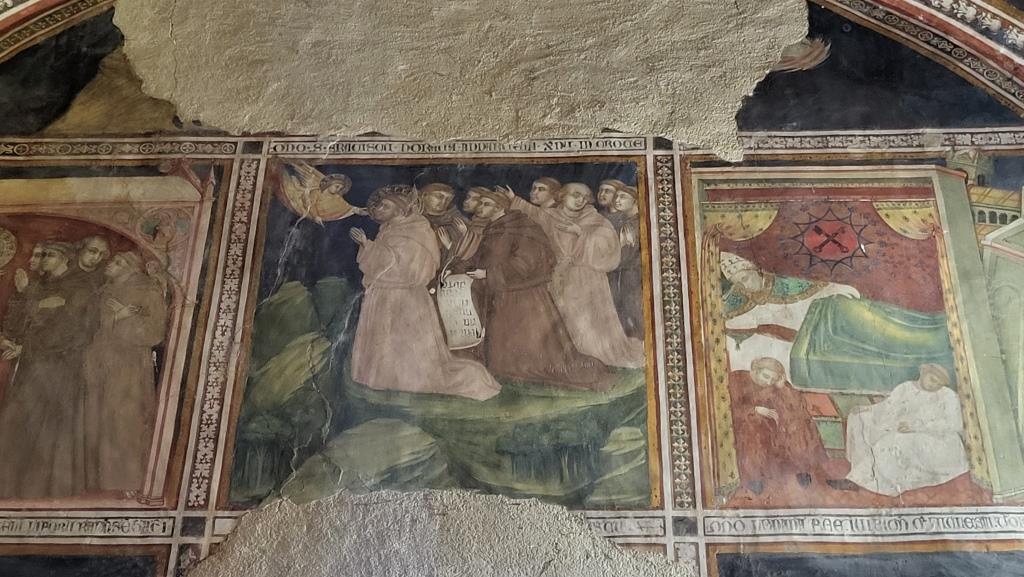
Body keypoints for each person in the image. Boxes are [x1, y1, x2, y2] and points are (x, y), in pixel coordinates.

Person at [349, 185, 501, 401]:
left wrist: (368, 245)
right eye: (380, 206)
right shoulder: (389, 228)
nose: (380, 209)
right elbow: (382, 265)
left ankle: (404, 379)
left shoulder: (416, 230)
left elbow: (405, 269)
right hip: (385, 294)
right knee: (385, 342)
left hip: (404, 297)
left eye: (386, 205)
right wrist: (368, 248)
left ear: (400, 208)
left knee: (405, 343)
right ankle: (385, 378)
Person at [465, 189, 607, 388]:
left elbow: (526, 263)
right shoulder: (493, 228)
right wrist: (459, 268)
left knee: (533, 348)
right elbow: (480, 258)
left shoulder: (521, 226)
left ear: (499, 207)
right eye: (480, 203)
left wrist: (489, 274)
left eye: (486, 204)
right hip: (501, 294)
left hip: (524, 297)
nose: (480, 207)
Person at [504, 182, 645, 368]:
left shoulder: (595, 219)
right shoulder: (551, 216)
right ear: (562, 196)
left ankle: (592, 355)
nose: (581, 200)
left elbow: (608, 246)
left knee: (587, 321)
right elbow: (534, 213)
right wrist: (513, 199)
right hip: (560, 276)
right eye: (576, 195)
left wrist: (581, 233)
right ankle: (571, 358)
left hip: (588, 278)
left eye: (585, 198)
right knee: (564, 319)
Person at [0, 241, 99, 498]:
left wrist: (26, 346)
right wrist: (11, 337)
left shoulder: (80, 287)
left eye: (50, 255)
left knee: (47, 428)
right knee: (21, 422)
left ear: (66, 259)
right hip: (33, 365)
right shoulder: (41, 285)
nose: (44, 259)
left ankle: (40, 488)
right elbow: (22, 321)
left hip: (60, 369)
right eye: (42, 254)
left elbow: (72, 332)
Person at [83, 252, 167, 494]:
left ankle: (127, 482)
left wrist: (120, 322)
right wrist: (116, 317)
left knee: (125, 422)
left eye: (118, 262)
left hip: (129, 367)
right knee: (99, 420)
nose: (111, 263)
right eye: (113, 260)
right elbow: (89, 327)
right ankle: (99, 482)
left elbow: (155, 332)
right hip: (100, 363)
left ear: (133, 269)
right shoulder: (104, 292)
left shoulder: (147, 291)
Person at [721, 251, 860, 377]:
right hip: (788, 352)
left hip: (815, 334)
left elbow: (817, 288)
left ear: (755, 270)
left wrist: (841, 290)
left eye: (745, 278)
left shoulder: (783, 283)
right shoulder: (739, 298)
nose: (745, 286)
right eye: (738, 284)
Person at [844, 364, 969, 496]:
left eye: (939, 384)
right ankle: (860, 477)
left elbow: (954, 424)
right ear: (923, 373)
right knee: (860, 419)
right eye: (932, 379)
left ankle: (873, 483)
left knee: (894, 441)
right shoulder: (905, 388)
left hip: (938, 443)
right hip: (908, 432)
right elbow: (887, 407)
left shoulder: (948, 396)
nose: (934, 385)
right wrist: (867, 409)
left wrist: (916, 427)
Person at [728, 358, 828, 494]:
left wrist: (783, 387)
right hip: (748, 421)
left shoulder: (776, 384)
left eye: (773, 379)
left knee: (799, 422)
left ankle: (802, 468)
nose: (769, 382)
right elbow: (730, 408)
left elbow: (797, 405)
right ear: (755, 370)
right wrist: (754, 410)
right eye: (766, 376)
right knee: (753, 428)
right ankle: (754, 477)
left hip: (774, 422)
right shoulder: (737, 380)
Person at [608, 185, 643, 338]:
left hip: (634, 272)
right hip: (621, 271)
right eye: (616, 196)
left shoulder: (638, 223)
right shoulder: (621, 221)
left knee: (633, 305)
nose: (617, 200)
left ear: (635, 200)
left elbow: (629, 253)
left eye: (622, 197)